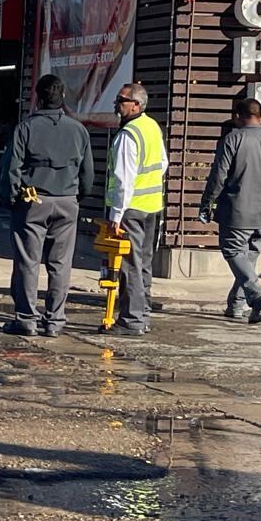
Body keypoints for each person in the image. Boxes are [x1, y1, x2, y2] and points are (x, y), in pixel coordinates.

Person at [0, 74, 94, 337]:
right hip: (67, 201)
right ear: (62, 97)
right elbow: (88, 173)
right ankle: (54, 321)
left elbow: (11, 168)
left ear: (38, 97)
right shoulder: (79, 130)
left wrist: (10, 198)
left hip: (33, 199)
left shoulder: (25, 128)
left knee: (28, 261)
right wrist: (77, 197)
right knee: (61, 263)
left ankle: (26, 319)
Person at [199, 97, 261, 324]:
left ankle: (257, 295)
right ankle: (236, 305)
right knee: (248, 259)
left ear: (237, 116)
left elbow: (218, 175)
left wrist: (207, 203)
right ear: (260, 115)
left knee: (232, 251)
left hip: (238, 209)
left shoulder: (233, 139)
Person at [103, 82, 168, 336]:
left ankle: (131, 320)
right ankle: (143, 315)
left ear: (136, 105)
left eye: (121, 100)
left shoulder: (128, 135)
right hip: (151, 207)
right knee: (144, 265)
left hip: (131, 209)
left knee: (130, 266)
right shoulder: (151, 126)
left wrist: (116, 215)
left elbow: (123, 180)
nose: (117, 105)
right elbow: (162, 163)